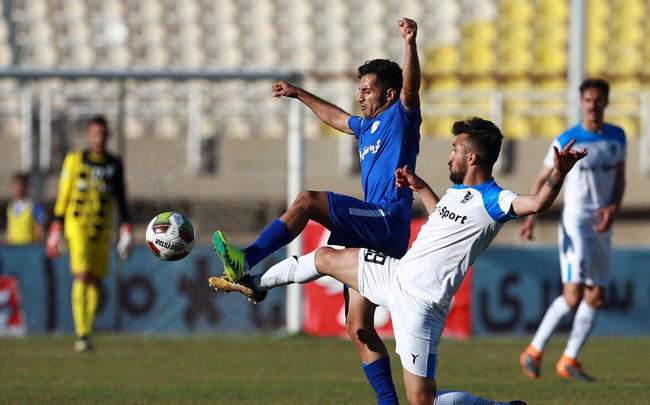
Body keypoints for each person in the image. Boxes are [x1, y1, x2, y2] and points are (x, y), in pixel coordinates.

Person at [210, 117, 586, 404]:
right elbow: (440, 217)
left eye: (455, 148)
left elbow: (537, 203)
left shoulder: (495, 200)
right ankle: (255, 284)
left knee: (422, 401)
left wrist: (558, 173)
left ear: (472, 157)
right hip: (394, 274)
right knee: (324, 257)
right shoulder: (457, 193)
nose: (450, 155)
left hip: (421, 304)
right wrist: (421, 187)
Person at [209, 17, 421, 404]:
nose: (361, 97)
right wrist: (298, 93)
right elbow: (335, 117)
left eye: (368, 91)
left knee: (307, 200)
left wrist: (409, 43)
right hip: (372, 229)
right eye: (359, 90)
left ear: (389, 94)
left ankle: (247, 260)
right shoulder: (366, 126)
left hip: (386, 219)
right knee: (358, 329)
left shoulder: (401, 116)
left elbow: (411, 88)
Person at [519, 78, 626, 382]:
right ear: (581, 103)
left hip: (602, 224)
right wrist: (531, 214)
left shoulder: (617, 136)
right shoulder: (567, 138)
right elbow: (543, 177)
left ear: (606, 102)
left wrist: (613, 207)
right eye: (588, 100)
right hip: (576, 223)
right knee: (573, 294)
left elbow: (620, 179)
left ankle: (569, 359)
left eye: (598, 100)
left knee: (596, 296)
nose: (593, 105)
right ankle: (533, 351)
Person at [46, 115, 133, 352]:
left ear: (108, 135)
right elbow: (64, 194)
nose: (99, 138)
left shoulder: (114, 163)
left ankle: (88, 330)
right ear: (89, 134)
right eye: (95, 133)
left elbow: (120, 197)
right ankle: (82, 332)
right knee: (82, 274)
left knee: (95, 279)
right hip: (78, 226)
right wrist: (56, 226)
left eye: (102, 134)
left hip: (102, 229)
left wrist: (126, 227)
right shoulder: (75, 160)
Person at [5, 173, 46, 245]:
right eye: (14, 186)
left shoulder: (35, 206)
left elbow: (40, 230)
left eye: (19, 186)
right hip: (13, 248)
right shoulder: (11, 206)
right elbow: (9, 228)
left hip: (28, 247)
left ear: (25, 187)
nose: (16, 189)